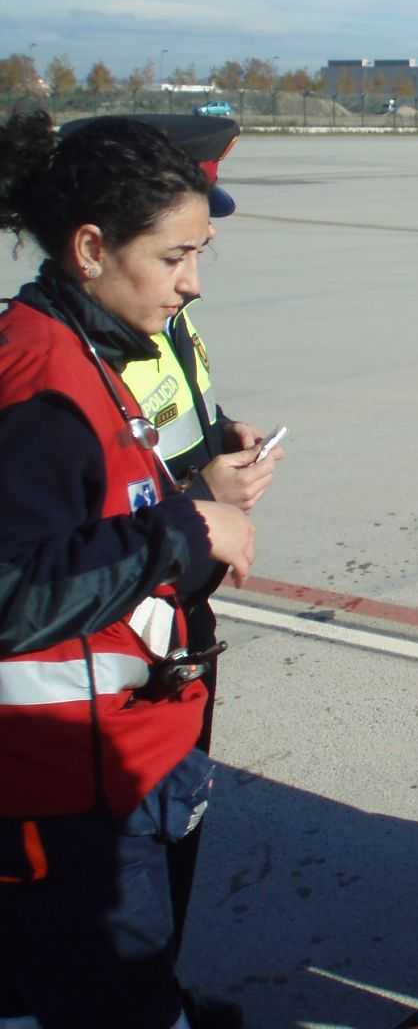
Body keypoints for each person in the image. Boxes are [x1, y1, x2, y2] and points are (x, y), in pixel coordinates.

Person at [0, 111, 257, 1028]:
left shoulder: (88, 346)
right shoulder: (40, 387)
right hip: (67, 786)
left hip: (121, 755)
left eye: (202, 254)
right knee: (104, 988)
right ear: (90, 247)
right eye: (174, 257)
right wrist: (187, 534)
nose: (191, 284)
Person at [60, 113, 283, 964]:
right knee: (119, 872)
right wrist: (197, 504)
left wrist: (222, 438)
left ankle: (162, 987)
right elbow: (61, 544)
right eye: (176, 251)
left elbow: (169, 415)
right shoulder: (60, 356)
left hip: (174, 605)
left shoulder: (152, 309)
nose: (193, 277)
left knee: (169, 830)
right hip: (125, 623)